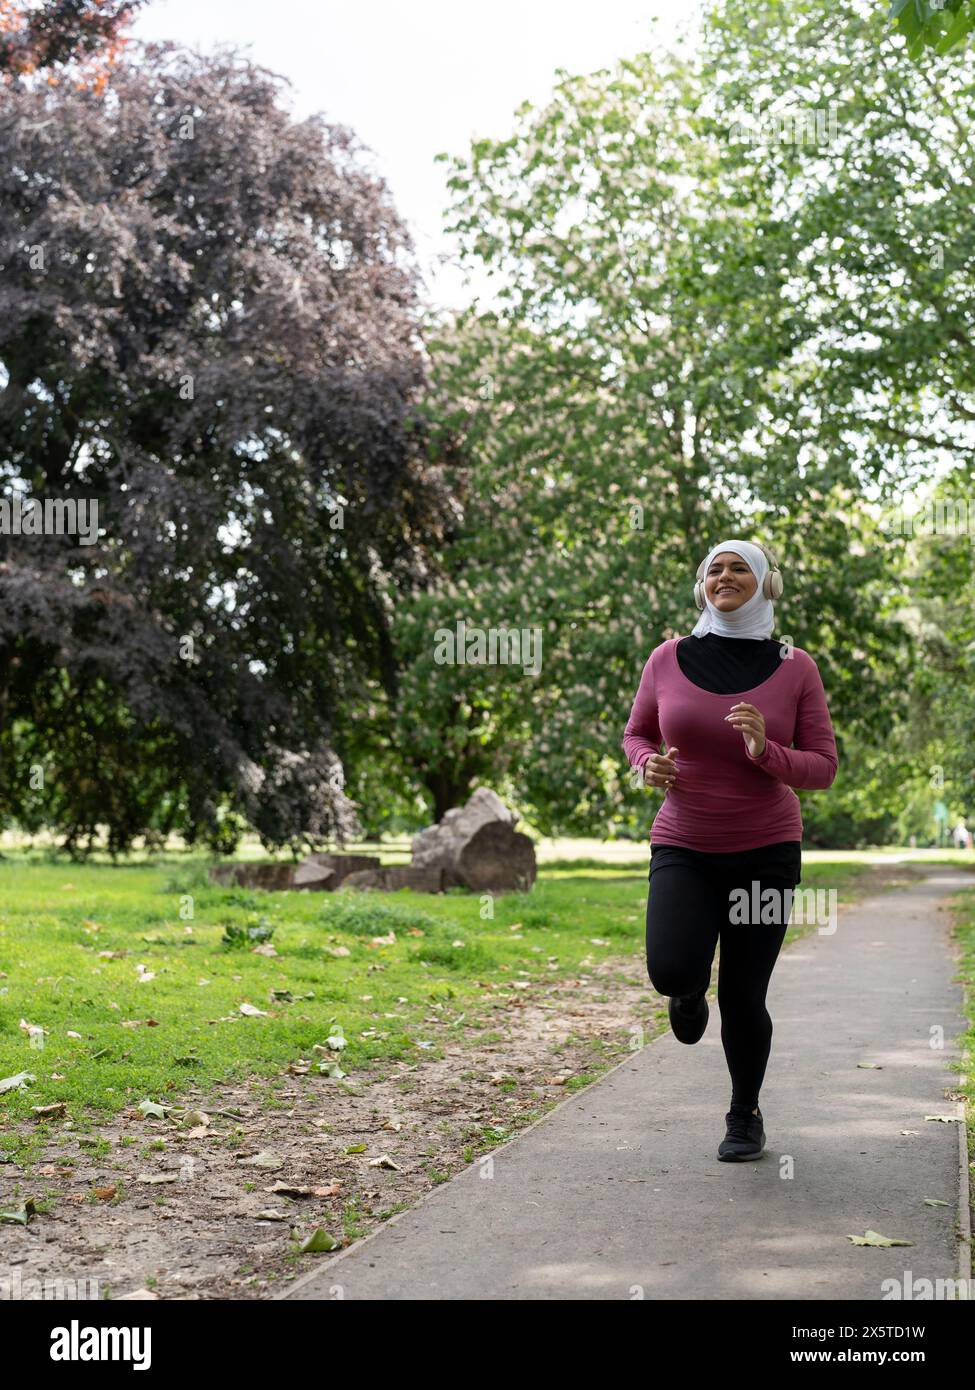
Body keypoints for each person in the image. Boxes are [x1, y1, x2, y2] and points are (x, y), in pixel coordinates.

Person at [622, 540, 838, 1161]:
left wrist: (766, 752)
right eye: (714, 567)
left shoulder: (796, 667)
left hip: (765, 851)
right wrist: (646, 765)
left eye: (740, 566)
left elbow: (823, 768)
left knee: (744, 995)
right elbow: (637, 732)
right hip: (684, 844)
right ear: (701, 586)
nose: (725, 575)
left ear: (765, 583)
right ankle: (688, 993)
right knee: (670, 968)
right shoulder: (667, 658)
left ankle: (744, 1115)